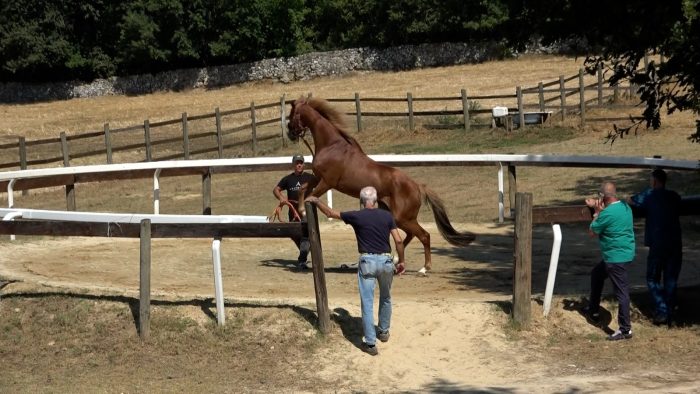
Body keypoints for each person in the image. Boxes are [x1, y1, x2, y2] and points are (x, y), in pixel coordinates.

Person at [306, 186, 405, 356]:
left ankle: (371, 343)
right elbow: (398, 240)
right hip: (386, 260)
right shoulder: (386, 216)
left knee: (367, 302)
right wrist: (401, 260)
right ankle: (383, 331)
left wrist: (316, 200)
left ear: (361, 201)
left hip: (367, 261)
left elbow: (330, 213)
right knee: (386, 297)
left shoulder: (356, 216)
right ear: (375, 200)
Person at [628, 169, 682, 325]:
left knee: (652, 278)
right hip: (675, 242)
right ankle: (670, 309)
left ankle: (662, 309)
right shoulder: (674, 196)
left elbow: (632, 201)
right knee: (671, 278)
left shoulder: (649, 195)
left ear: (654, 181)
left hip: (658, 243)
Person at [584, 181, 636, 341]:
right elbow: (612, 213)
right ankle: (593, 309)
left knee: (622, 292)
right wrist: (598, 206)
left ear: (602, 197)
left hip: (615, 258)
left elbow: (592, 232)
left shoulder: (605, 214)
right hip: (624, 254)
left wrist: (596, 213)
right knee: (597, 275)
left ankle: (625, 329)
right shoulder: (626, 208)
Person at [273, 154, 317, 270]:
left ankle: (302, 259)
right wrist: (282, 198)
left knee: (305, 236)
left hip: (307, 213)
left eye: (301, 163)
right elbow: (276, 189)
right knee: (294, 235)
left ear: (304, 164)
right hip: (293, 214)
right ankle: (305, 251)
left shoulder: (310, 178)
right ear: (293, 165)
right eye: (297, 163)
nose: (299, 165)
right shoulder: (288, 179)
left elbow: (321, 186)